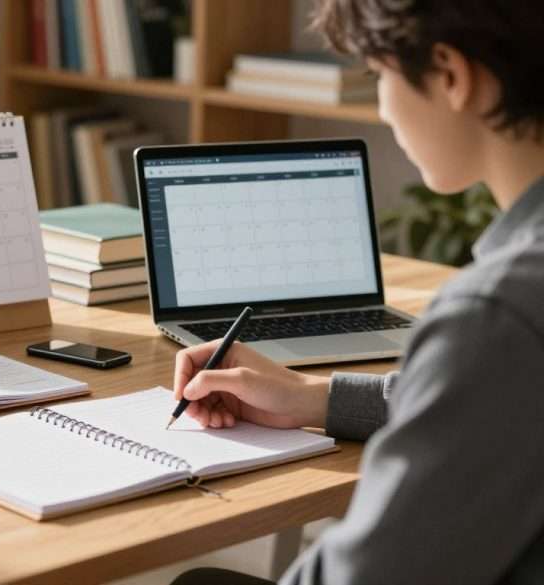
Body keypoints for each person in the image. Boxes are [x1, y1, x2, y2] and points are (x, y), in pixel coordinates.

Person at [170, 1, 544, 584]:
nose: (383, 107)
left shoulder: (495, 315)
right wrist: (312, 398)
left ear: (450, 75)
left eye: (378, 74)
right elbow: (505, 402)